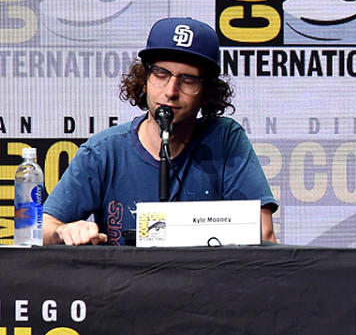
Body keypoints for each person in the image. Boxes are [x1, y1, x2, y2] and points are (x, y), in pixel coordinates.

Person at [43, 17, 278, 245]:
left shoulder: (225, 139)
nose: (171, 91)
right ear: (144, 80)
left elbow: (263, 233)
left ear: (207, 91)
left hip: (206, 283)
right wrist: (64, 230)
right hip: (125, 284)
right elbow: (42, 228)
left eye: (187, 80)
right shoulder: (104, 151)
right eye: (161, 75)